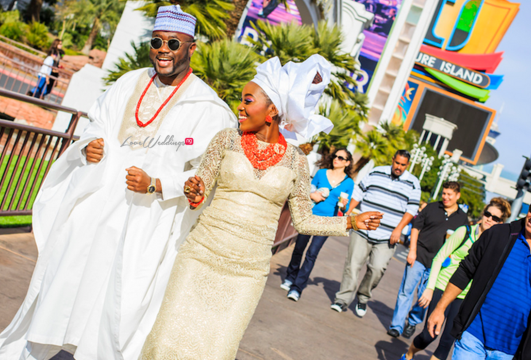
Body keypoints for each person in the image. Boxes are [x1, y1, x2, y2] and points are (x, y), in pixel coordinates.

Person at [0, 5, 237, 360]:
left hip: (145, 218)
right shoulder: (128, 82)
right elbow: (97, 123)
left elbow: (205, 175)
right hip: (98, 202)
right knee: (67, 281)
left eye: (173, 42)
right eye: (157, 41)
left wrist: (157, 183)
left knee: (119, 302)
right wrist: (89, 146)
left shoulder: (208, 108)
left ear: (191, 48)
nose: (164, 49)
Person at [139, 55, 384, 360]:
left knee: (216, 350)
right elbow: (199, 187)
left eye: (247, 100)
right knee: (165, 341)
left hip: (247, 273)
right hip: (200, 256)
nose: (239, 106)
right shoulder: (226, 140)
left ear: (272, 110)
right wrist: (194, 191)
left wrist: (349, 222)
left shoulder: (296, 160)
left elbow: (304, 220)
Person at [427, 190, 531, 360]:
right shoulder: (499, 235)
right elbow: (466, 270)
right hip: (472, 336)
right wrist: (440, 308)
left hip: (511, 352)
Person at [400, 197, 511, 360]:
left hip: (464, 297)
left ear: (500, 223)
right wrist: (430, 288)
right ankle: (408, 355)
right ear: (483, 213)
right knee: (429, 335)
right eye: (488, 214)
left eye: (496, 218)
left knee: (446, 341)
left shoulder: (494, 247)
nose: (490, 219)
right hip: (442, 286)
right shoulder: (464, 232)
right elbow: (439, 258)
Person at [330, 150, 421, 317]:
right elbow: (359, 194)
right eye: (397, 163)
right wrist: (347, 214)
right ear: (392, 159)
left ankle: (363, 297)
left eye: (403, 165)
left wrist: (399, 229)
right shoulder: (376, 172)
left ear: (407, 165)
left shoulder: (413, 183)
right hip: (362, 229)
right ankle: (342, 299)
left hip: (388, 235)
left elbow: (411, 210)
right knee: (352, 265)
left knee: (377, 269)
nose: (399, 167)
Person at [388, 181, 468, 338]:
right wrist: (412, 251)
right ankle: (396, 326)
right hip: (419, 255)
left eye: (449, 194)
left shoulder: (462, 220)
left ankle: (413, 321)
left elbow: (461, 244)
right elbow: (416, 228)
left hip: (439, 265)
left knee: (425, 296)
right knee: (406, 291)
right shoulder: (432, 208)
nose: (445, 197)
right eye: (444, 193)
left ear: (457, 196)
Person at [282, 148, 355, 301]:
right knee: (299, 248)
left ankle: (297, 287)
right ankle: (290, 277)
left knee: (312, 254)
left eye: (341, 158)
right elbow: (309, 190)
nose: (336, 159)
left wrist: (344, 205)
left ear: (347, 163)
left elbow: (344, 208)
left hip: (328, 222)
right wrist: (312, 195)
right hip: (311, 216)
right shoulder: (321, 173)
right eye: (335, 156)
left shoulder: (349, 183)